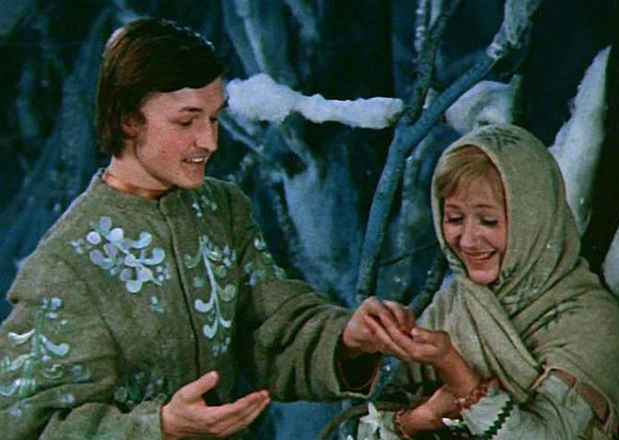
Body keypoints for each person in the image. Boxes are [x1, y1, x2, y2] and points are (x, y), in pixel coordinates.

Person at [0, 18, 416, 440]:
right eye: (187, 122)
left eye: (214, 119)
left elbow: (270, 330)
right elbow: (23, 425)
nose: (209, 141)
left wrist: (346, 339)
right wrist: (159, 427)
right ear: (128, 120)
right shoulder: (66, 263)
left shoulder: (221, 209)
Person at [359, 124, 619, 440]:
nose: (468, 241)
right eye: (455, 219)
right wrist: (420, 419)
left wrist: (454, 369)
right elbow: (367, 428)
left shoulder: (591, 319)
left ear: (532, 220)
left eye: (488, 221)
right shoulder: (453, 305)